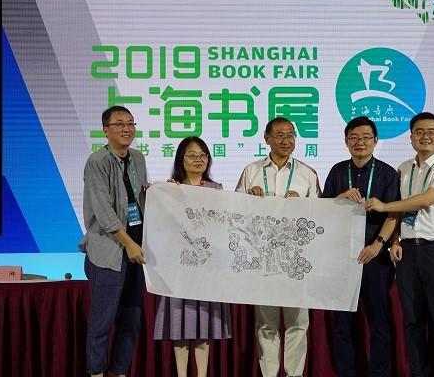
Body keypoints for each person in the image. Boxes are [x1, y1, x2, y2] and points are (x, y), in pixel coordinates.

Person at [365, 112, 434, 377]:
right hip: (407, 251)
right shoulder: (404, 168)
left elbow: (426, 199)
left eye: (431, 131)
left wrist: (384, 206)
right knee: (413, 319)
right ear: (410, 138)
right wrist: (395, 240)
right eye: (419, 131)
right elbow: (401, 209)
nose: (425, 136)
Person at [235, 117, 321, 377]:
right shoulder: (251, 171)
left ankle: (295, 374)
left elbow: (320, 216)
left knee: (298, 322)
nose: (286, 140)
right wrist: (249, 199)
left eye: (291, 135)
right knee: (266, 323)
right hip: (262, 258)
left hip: (296, 259)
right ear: (267, 139)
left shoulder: (307, 173)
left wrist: (303, 206)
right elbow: (235, 212)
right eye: (280, 135)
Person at [323, 116, 399, 377]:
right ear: (346, 141)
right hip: (342, 256)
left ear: (375, 141)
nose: (360, 142)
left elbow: (394, 214)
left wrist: (378, 245)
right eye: (354, 137)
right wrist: (340, 198)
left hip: (374, 256)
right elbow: (322, 210)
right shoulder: (337, 171)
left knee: (378, 321)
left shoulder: (387, 173)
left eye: (366, 137)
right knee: (343, 324)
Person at [153, 137, 232, 377]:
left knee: (203, 326)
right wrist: (161, 196)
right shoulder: (170, 189)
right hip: (178, 268)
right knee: (180, 324)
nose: (198, 160)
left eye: (203, 155)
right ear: (181, 159)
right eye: (192, 155)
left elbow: (224, 228)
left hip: (207, 269)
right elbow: (160, 227)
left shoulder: (216, 190)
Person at [80, 105, 148, 377]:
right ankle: (96, 372)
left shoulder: (137, 158)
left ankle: (120, 372)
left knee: (131, 320)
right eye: (120, 124)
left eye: (130, 124)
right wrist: (128, 243)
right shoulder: (97, 161)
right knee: (102, 322)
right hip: (109, 252)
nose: (127, 129)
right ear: (105, 130)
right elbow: (103, 210)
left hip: (137, 252)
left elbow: (139, 199)